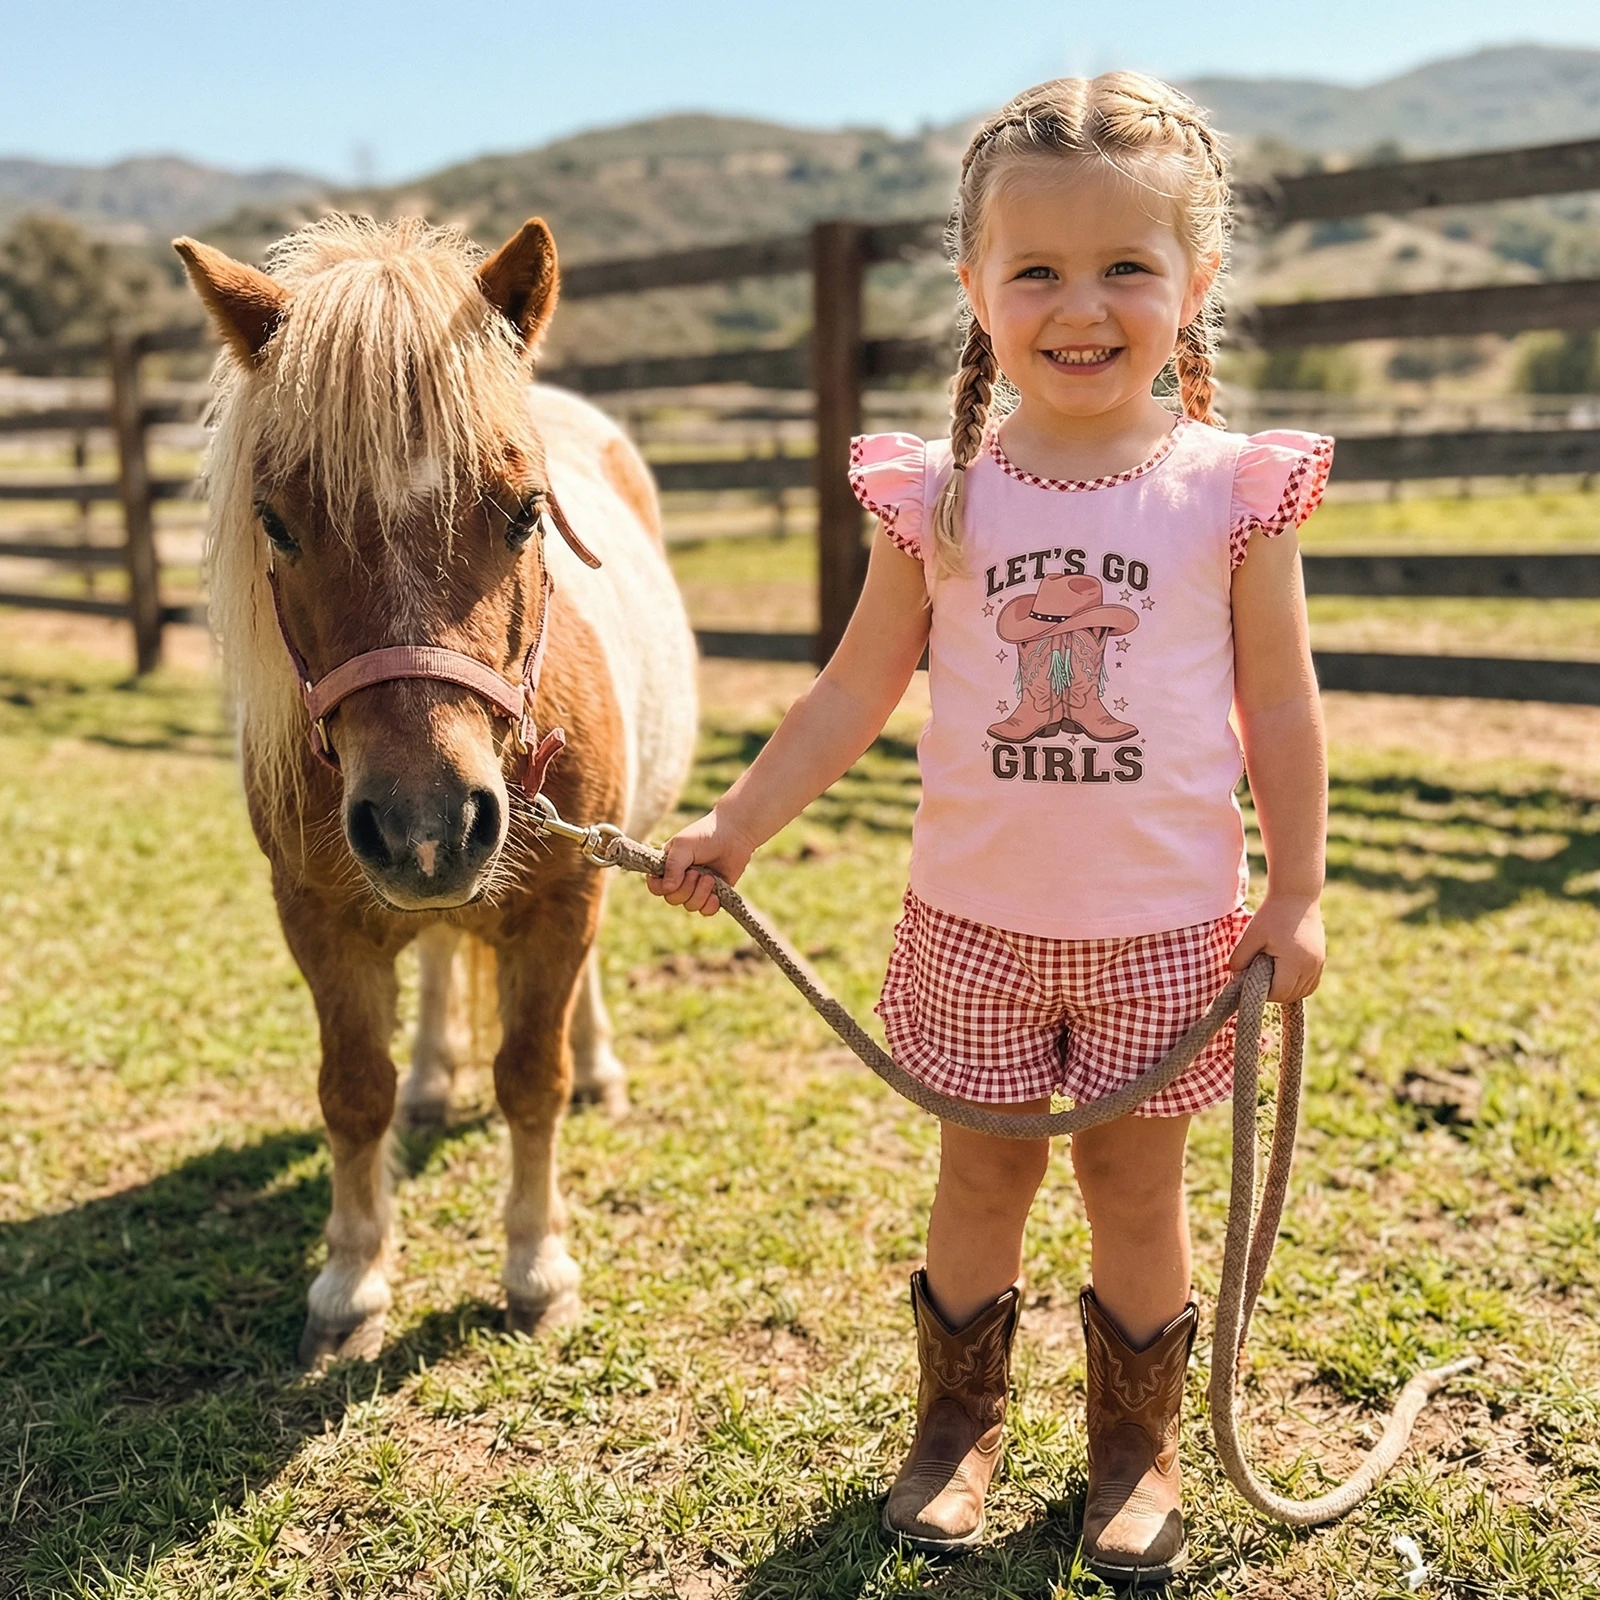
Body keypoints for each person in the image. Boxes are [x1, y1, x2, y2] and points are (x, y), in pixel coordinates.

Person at [648, 71, 1329, 1586]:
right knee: (980, 1180)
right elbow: (847, 693)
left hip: (1166, 935)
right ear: (974, 288)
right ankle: (956, 1426)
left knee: (1135, 1191)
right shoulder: (942, 498)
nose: (1079, 305)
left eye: (1126, 268)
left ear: (1195, 283)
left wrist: (1296, 895)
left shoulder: (1233, 495)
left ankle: (1135, 1447)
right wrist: (737, 822)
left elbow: (1281, 712)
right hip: (972, 929)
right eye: (1036, 270)